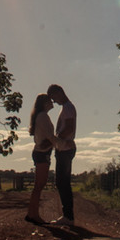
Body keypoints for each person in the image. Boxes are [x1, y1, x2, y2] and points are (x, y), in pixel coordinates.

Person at [47, 83, 76, 226]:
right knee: (62, 182)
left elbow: (69, 128)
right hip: (63, 148)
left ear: (59, 93)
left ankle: (68, 217)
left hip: (65, 148)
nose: (54, 102)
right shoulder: (66, 108)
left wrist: (57, 138)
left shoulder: (68, 108)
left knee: (62, 182)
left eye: (54, 98)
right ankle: (68, 216)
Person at [25, 92, 56, 224]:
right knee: (39, 185)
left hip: (41, 152)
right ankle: (34, 215)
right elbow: (50, 137)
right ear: (45, 103)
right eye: (50, 101)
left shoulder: (41, 116)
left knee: (39, 185)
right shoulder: (43, 116)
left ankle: (31, 213)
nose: (52, 103)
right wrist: (61, 142)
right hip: (42, 152)